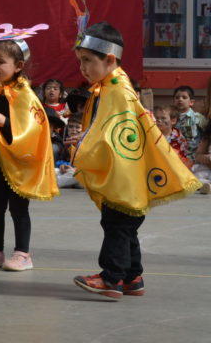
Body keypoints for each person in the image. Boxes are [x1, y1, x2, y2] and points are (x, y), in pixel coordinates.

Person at [70, 19, 199, 299]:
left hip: (125, 176)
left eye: (88, 60)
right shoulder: (114, 84)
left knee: (117, 225)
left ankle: (111, 278)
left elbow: (112, 135)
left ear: (110, 59)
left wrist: (83, 144)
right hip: (130, 173)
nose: (83, 68)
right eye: (80, 61)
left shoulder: (116, 90)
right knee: (126, 227)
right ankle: (132, 276)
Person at [0, 25, 57, 272]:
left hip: (18, 163)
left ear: (18, 66)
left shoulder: (25, 95)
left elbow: (36, 127)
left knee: (19, 209)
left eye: (0, 62)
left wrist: (7, 123)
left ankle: (22, 253)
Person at [172, 85, 206, 159]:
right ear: (173, 101)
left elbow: (207, 135)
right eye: (177, 97)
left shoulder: (197, 118)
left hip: (193, 156)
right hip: (175, 155)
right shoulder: (170, 118)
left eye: (184, 97)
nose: (180, 99)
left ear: (191, 102)